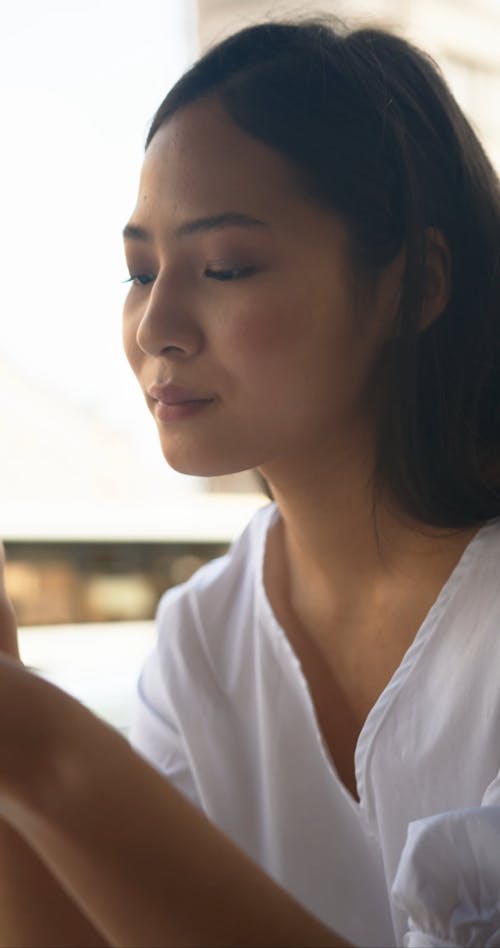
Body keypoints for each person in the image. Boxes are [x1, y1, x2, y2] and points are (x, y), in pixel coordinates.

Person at [0, 14, 499, 948]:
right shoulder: (203, 638)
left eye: (225, 265)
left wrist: (41, 750)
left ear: (416, 284)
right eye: (139, 272)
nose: (156, 328)